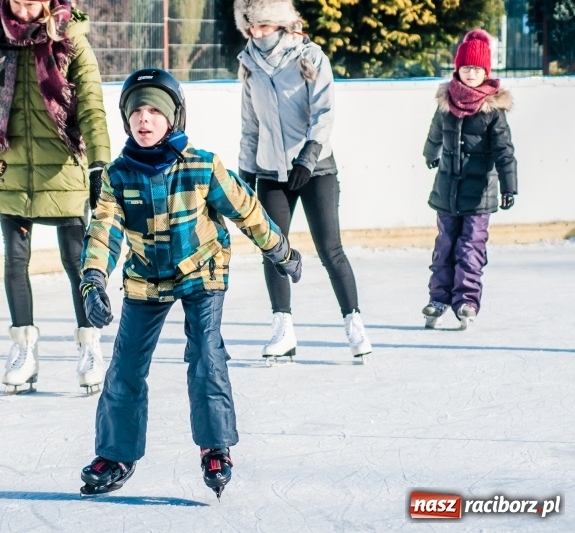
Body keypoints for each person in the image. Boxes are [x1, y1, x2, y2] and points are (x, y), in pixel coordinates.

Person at [77, 68, 303, 499]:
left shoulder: (201, 165)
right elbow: (103, 230)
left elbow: (245, 208)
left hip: (201, 272)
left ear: (173, 117)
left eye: (154, 112)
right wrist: (92, 280)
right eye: (136, 112)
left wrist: (281, 251)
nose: (144, 120)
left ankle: (214, 446)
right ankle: (116, 454)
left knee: (205, 351)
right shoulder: (117, 176)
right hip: (146, 279)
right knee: (124, 367)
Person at [0, 0, 111, 394]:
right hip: (8, 171)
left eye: (33, 2)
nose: (25, 10)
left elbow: (92, 106)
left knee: (77, 263)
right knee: (14, 261)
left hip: (62, 170)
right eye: (18, 2)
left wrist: (99, 165)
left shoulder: (71, 39)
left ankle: (90, 346)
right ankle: (23, 350)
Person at [233, 0, 372, 363]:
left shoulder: (310, 57)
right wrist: (246, 177)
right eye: (250, 28)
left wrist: (308, 157)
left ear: (278, 23)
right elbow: (251, 127)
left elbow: (324, 113)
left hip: (316, 169)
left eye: (262, 26)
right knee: (273, 249)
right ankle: (283, 329)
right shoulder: (248, 65)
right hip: (270, 172)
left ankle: (354, 324)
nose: (256, 34)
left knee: (331, 249)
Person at [422, 29, 517, 330]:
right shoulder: (446, 102)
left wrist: (509, 185)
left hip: (480, 195)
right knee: (445, 246)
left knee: (470, 248)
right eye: (466, 68)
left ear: (486, 72)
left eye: (477, 69)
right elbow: (435, 132)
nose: (471, 73)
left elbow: (504, 151)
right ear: (457, 69)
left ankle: (466, 301)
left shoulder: (493, 111)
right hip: (447, 189)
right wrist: (430, 153)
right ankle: (438, 298)